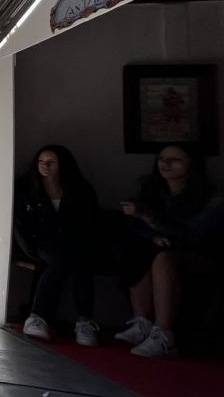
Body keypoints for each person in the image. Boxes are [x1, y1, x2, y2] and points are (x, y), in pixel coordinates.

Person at [115, 144, 222, 358]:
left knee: (163, 259)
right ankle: (142, 321)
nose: (165, 164)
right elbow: (131, 225)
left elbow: (194, 235)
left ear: (192, 164)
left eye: (175, 160)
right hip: (159, 249)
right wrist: (153, 235)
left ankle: (164, 334)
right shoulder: (151, 190)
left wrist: (150, 219)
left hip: (201, 255)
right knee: (138, 250)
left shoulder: (212, 197)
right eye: (162, 158)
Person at [13, 145, 101, 346]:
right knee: (63, 260)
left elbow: (89, 221)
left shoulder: (80, 189)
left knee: (77, 262)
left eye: (51, 162)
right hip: (39, 243)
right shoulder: (27, 188)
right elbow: (20, 223)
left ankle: (81, 321)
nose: (45, 167)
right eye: (41, 162)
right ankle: (40, 317)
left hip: (73, 243)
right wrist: (27, 248)